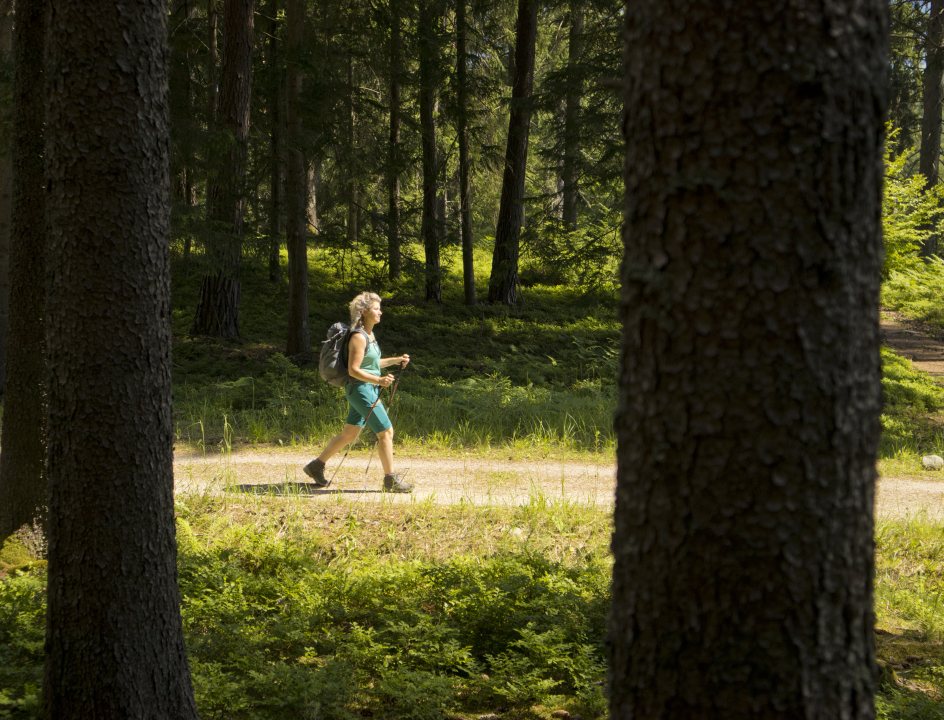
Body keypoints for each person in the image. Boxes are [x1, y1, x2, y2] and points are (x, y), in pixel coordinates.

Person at [304, 292, 413, 493]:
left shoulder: (369, 335)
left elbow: (371, 364)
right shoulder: (358, 337)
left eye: (380, 308)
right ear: (363, 312)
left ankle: (316, 466)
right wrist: (379, 380)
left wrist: (396, 360)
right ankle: (390, 480)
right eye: (376, 308)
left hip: (365, 388)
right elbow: (354, 370)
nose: (380, 311)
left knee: (349, 433)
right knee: (386, 432)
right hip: (361, 390)